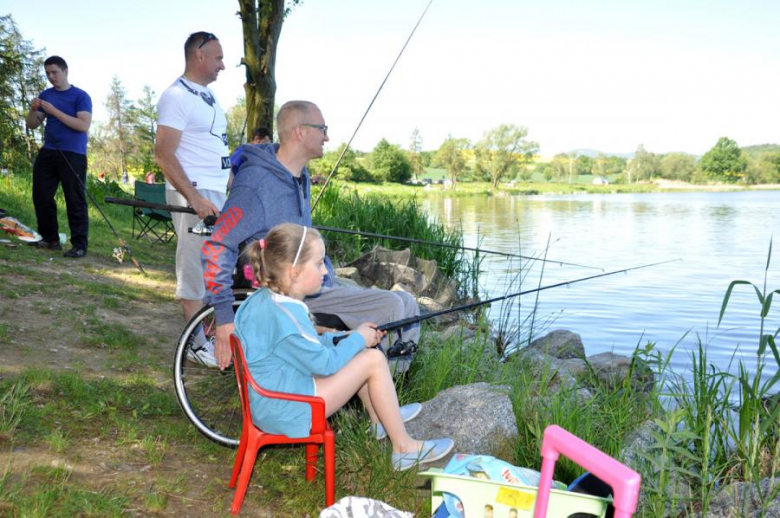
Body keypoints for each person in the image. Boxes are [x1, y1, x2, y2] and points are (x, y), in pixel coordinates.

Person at [202, 100, 420, 371]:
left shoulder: (299, 176)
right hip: (288, 295)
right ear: (301, 132)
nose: (327, 136)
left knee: (406, 301)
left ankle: (390, 384)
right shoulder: (255, 185)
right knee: (390, 306)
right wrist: (223, 318)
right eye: (322, 129)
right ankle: (382, 394)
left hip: (317, 284)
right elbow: (217, 246)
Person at [234, 223, 453, 471]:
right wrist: (358, 339)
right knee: (372, 360)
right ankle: (404, 448)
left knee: (357, 351)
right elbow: (325, 365)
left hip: (271, 399)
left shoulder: (262, 301)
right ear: (294, 272)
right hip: (289, 408)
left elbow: (305, 348)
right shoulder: (288, 315)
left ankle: (379, 420)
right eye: (318, 264)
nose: (325, 273)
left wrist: (347, 336)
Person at [155, 31, 230, 366]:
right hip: (195, 194)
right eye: (218, 58)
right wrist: (195, 198)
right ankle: (196, 343)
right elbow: (164, 155)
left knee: (216, 265)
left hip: (216, 191)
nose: (223, 65)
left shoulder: (208, 95)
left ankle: (212, 331)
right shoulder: (176, 96)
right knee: (193, 265)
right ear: (199, 56)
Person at [25, 55, 92, 258]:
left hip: (73, 154)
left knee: (75, 199)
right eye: (47, 73)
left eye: (54, 72)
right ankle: (50, 238)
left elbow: (83, 125)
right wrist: (33, 109)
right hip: (49, 151)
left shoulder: (81, 96)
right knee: (41, 195)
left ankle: (79, 244)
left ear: (65, 71)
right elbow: (32, 124)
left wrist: (54, 111)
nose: (51, 77)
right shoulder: (46, 94)